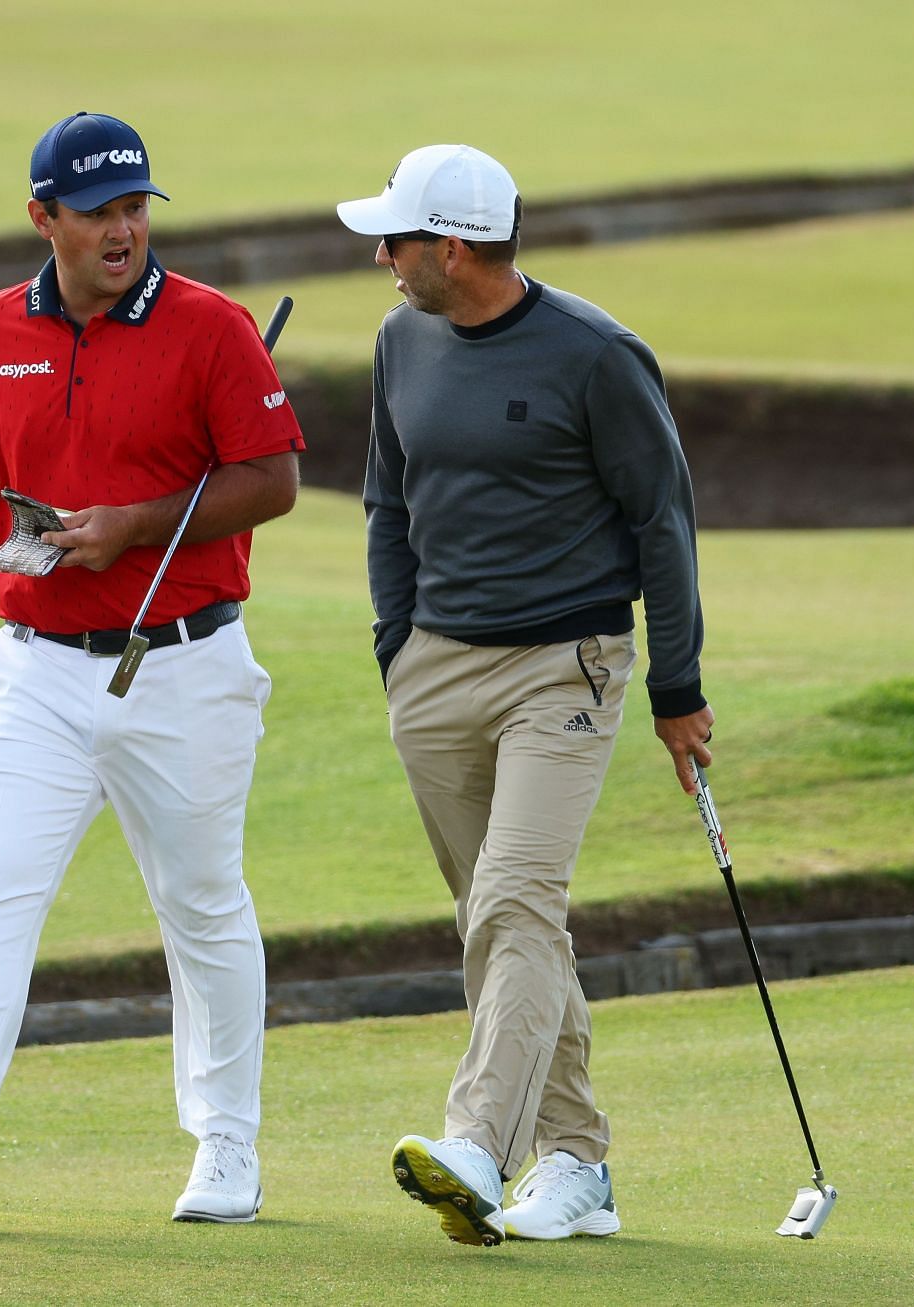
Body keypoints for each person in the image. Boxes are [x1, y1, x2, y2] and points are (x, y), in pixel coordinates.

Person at [0, 111, 304, 1233]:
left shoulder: (212, 327)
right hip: (37, 670)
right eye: (98, 212)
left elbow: (274, 477)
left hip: (183, 663)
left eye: (137, 206)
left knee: (200, 904)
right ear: (44, 218)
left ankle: (227, 1141)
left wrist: (134, 526)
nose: (124, 229)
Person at [335, 144, 714, 1247]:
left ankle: (476, 1144)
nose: (381, 256)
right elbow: (384, 501)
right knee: (506, 919)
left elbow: (665, 522)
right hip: (435, 668)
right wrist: (396, 649)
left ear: (452, 247)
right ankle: (580, 1159)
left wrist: (678, 687)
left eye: (397, 239)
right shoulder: (400, 338)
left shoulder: (595, 355)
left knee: (512, 900)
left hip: (568, 667)